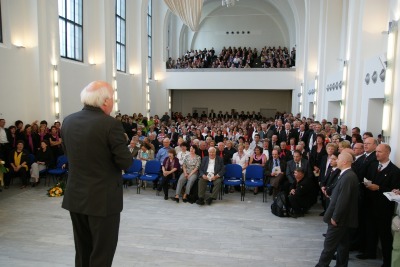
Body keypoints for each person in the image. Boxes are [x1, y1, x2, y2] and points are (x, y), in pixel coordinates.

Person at [61, 81, 132, 267]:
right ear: (106, 101)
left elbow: (69, 154)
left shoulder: (67, 121)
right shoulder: (110, 125)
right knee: (102, 253)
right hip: (103, 200)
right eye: (113, 99)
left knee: (83, 250)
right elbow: (126, 163)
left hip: (76, 197)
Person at [358, 144, 400, 267]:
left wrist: (379, 188)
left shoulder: (395, 171)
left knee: (384, 235)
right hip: (370, 204)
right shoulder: (372, 165)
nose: (377, 154)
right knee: (370, 230)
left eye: (380, 152)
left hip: (384, 208)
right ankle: (370, 251)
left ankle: (387, 261)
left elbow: (394, 190)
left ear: (387, 153)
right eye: (376, 151)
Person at [315, 152, 359, 267]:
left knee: (329, 246)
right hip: (343, 219)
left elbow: (343, 200)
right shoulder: (345, 174)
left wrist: (335, 217)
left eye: (338, 159)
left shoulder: (348, 177)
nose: (335, 161)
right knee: (343, 245)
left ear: (344, 162)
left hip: (339, 219)